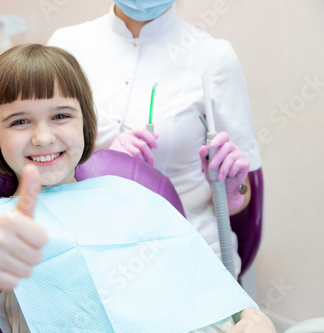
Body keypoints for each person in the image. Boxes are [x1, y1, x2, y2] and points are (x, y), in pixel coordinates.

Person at [0, 43, 274, 332]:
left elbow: (199, 274)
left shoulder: (129, 192)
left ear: (85, 124)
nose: (43, 137)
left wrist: (251, 315)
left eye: (61, 115)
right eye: (20, 121)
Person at [47, 0, 262, 276]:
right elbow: (40, 157)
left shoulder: (214, 56)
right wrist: (99, 164)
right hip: (88, 240)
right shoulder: (67, 45)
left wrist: (233, 190)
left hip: (188, 245)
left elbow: (243, 194)